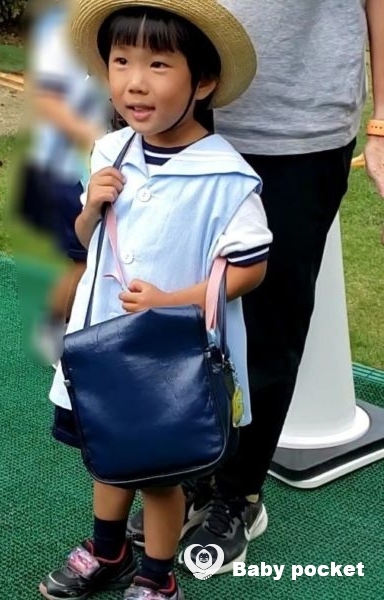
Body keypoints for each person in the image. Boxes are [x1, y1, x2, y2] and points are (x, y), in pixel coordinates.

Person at [127, 0, 384, 575]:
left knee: (269, 320)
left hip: (300, 126)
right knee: (177, 306)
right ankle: (195, 469)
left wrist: (383, 120)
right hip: (182, 107)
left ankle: (238, 493)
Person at [40, 1, 272, 599]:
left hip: (170, 361)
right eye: (121, 62)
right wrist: (91, 207)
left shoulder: (228, 178)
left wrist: (174, 298)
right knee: (107, 452)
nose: (134, 82)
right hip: (102, 347)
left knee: (160, 477)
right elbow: (86, 240)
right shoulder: (109, 153)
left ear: (204, 81)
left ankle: (157, 578)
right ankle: (108, 551)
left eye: (158, 64)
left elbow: (250, 269)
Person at [18, 0, 107, 365]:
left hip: (89, 168)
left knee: (98, 257)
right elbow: (47, 100)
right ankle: (54, 331)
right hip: (68, 171)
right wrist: (96, 137)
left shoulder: (106, 24)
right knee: (83, 261)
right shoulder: (61, 30)